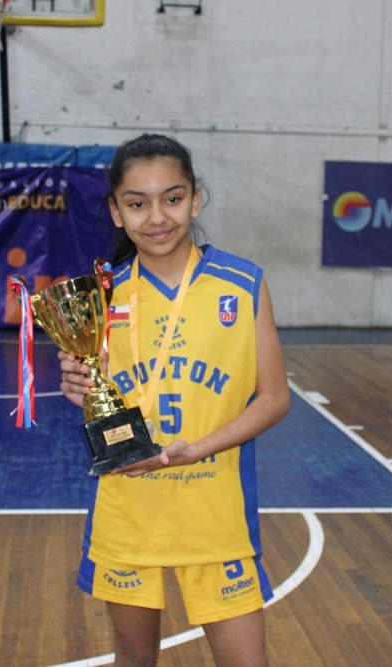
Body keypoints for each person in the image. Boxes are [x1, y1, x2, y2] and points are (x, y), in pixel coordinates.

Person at [58, 133, 290, 667]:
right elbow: (101, 403)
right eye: (137, 204)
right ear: (116, 212)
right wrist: (82, 393)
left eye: (173, 198)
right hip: (131, 511)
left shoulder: (242, 284)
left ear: (195, 200)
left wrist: (200, 447)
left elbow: (274, 399)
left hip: (214, 513)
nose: (156, 217)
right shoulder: (99, 297)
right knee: (135, 662)